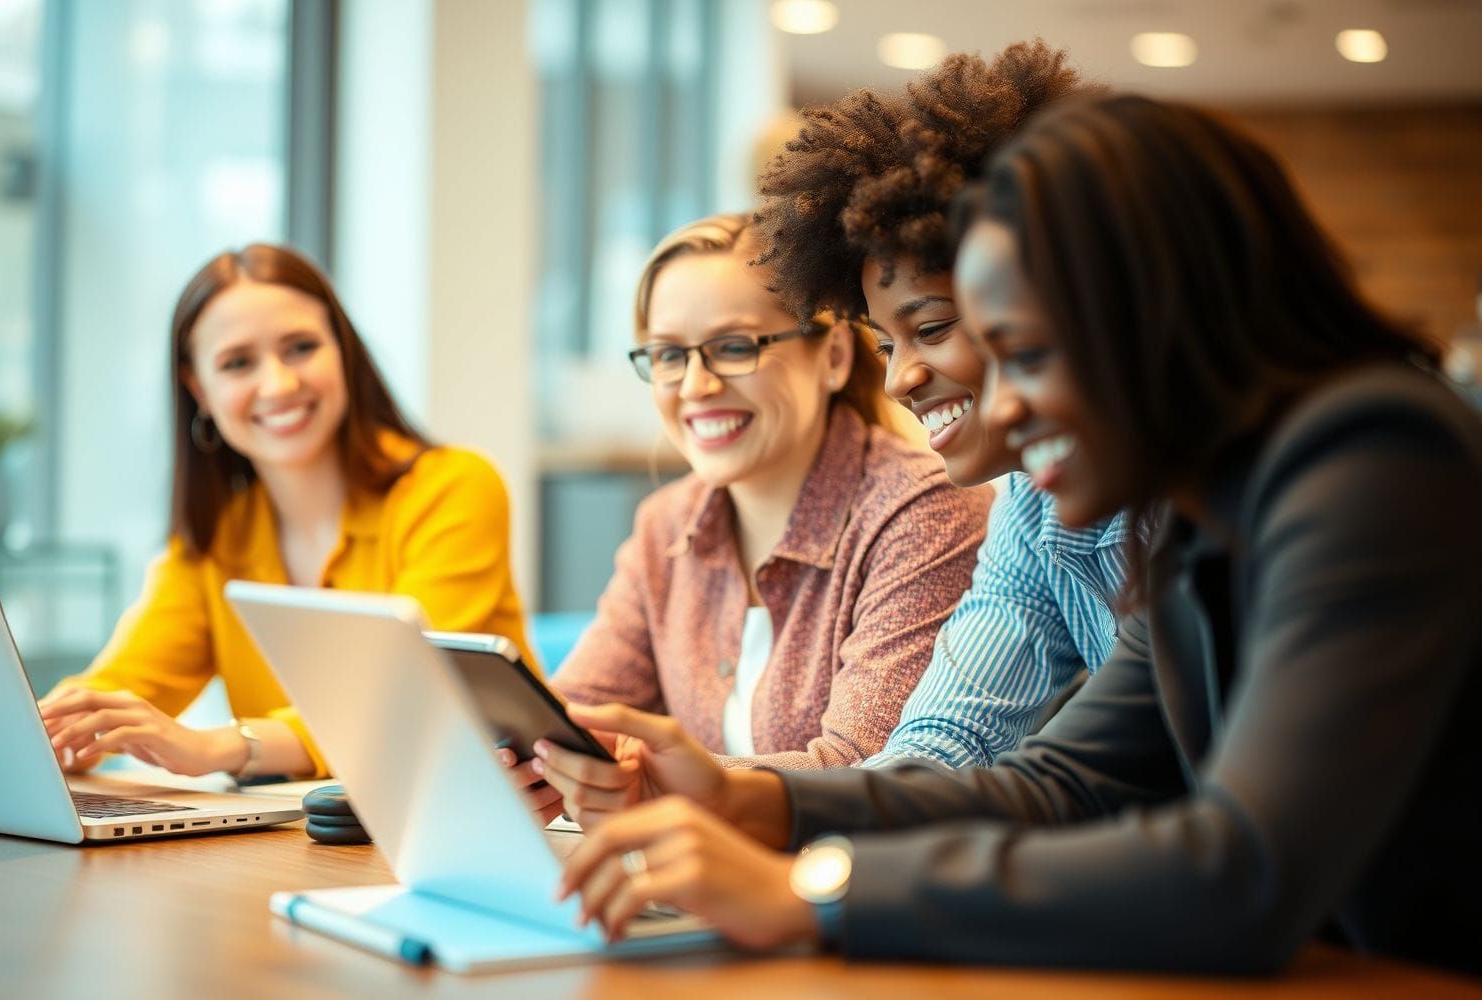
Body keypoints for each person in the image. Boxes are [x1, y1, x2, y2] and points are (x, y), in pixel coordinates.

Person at [541, 96, 1482, 974]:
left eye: (1028, 352)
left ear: (1150, 311)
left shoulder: (1373, 455)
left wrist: (812, 889)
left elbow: (1243, 865)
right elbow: (1062, 781)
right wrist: (751, 798)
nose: (1012, 400)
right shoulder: (1203, 506)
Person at [505, 212, 992, 825]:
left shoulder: (923, 511)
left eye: (734, 348)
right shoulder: (667, 525)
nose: (696, 385)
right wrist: (532, 758)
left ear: (835, 356)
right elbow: (576, 711)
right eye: (668, 355)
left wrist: (655, 778)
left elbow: (867, 771)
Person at [755, 41, 1127, 770]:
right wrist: (708, 794)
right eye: (887, 346)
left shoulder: (1247, 489)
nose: (900, 381)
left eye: (931, 329)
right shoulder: (1030, 509)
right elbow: (944, 743)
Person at [39, 244, 534, 780]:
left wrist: (218, 748)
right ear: (198, 388)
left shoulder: (454, 488)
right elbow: (121, 684)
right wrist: (57, 731)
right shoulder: (214, 536)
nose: (278, 384)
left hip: (486, 815)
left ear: (342, 351)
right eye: (238, 363)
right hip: (307, 844)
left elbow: (399, 692)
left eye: (301, 347)